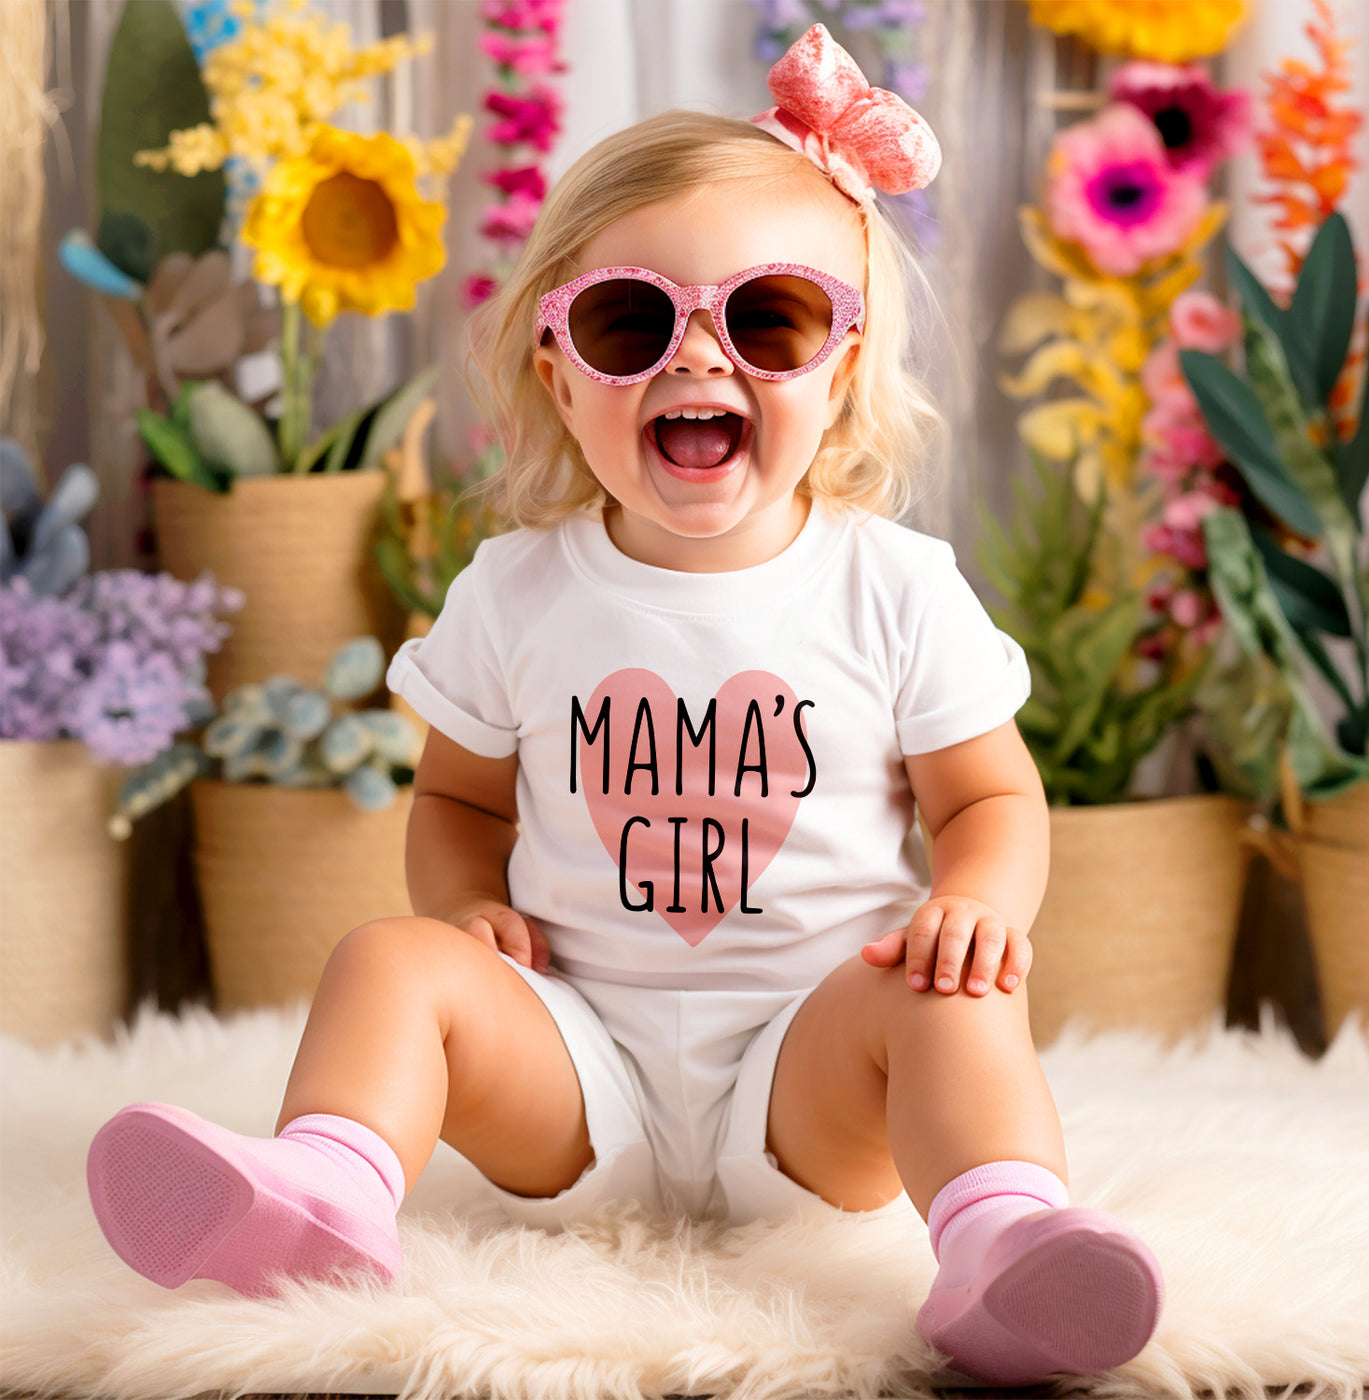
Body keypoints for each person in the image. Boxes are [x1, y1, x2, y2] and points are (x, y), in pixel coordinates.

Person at [86, 24, 1163, 1386]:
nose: (697, 362)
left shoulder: (895, 588)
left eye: (769, 320)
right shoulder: (517, 593)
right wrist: (462, 906)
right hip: (575, 1074)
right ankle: (323, 1194)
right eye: (629, 322)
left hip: (811, 1077)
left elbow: (991, 798)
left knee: (950, 1003)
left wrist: (979, 908)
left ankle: (1007, 1246)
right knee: (385, 960)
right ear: (557, 370)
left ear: (841, 368)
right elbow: (462, 797)